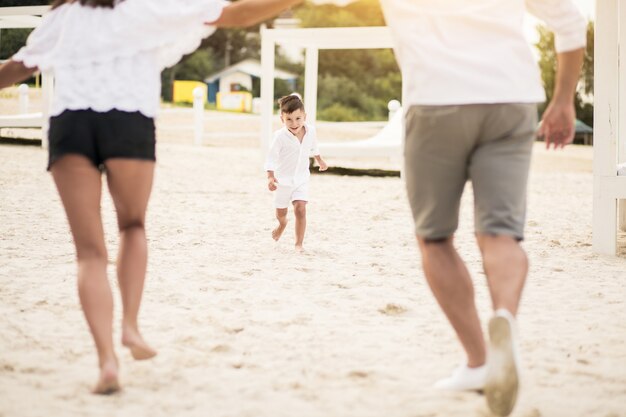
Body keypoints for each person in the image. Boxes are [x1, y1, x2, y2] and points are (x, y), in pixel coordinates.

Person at [0, 0, 301, 395]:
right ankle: (130, 328)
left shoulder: (62, 15)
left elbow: (16, 68)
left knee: (89, 253)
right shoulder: (150, 8)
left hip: (71, 125)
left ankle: (107, 360)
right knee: (132, 226)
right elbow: (237, 13)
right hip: (127, 121)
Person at [379, 0, 586, 415]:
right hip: (511, 99)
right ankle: (504, 317)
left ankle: (479, 360)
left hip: (436, 101)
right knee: (500, 232)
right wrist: (564, 100)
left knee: (434, 239)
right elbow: (571, 22)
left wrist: (217, 12)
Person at [265, 94, 328, 251]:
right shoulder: (279, 137)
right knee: (280, 214)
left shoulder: (311, 131)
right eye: (289, 120)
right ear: (282, 119)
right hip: (282, 181)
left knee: (300, 208)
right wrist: (270, 177)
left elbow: (313, 146)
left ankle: (298, 244)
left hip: (301, 179)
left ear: (304, 116)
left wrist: (320, 160)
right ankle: (282, 224)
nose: (294, 124)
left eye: (298, 119)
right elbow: (271, 158)